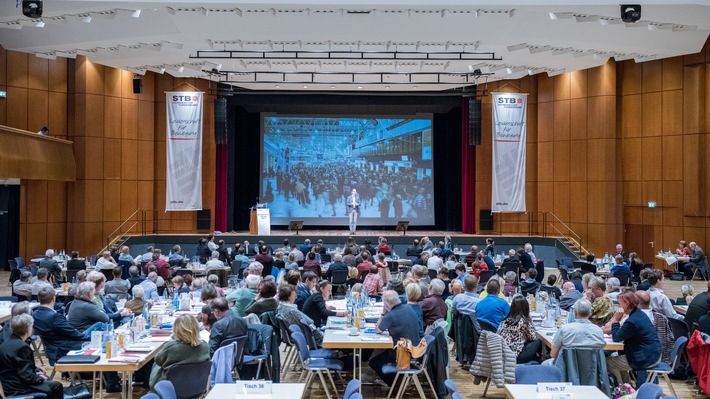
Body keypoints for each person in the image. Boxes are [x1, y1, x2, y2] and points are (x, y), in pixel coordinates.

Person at [32, 287, 104, 365]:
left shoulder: (34, 314)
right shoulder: (55, 317)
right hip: (66, 348)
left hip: (53, 349)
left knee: (99, 329)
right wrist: (91, 339)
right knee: (102, 339)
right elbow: (74, 334)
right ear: (54, 298)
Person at [0, 314, 63, 399]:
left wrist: (37, 371)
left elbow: (17, 365)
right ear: (28, 329)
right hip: (17, 386)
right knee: (56, 385)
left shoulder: (8, 342)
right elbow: (27, 376)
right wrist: (40, 378)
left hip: (8, 383)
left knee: (47, 379)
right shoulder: (22, 347)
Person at [607, 290, 661, 385]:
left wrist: (616, 320)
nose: (619, 307)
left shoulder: (632, 321)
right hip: (652, 353)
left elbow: (616, 337)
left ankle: (621, 390)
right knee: (616, 359)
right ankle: (627, 387)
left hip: (645, 358)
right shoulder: (639, 314)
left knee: (607, 362)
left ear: (627, 303)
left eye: (620, 304)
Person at [369, 290, 422, 387]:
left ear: (386, 305)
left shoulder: (390, 316)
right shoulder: (409, 308)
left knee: (374, 362)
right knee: (382, 353)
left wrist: (383, 313)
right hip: (416, 347)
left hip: (403, 352)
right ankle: (397, 379)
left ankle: (393, 384)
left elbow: (378, 330)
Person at [149, 314, 209, 388]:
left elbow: (158, 359)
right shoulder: (205, 346)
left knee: (155, 365)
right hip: (197, 387)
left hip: (170, 388)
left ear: (176, 330)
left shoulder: (172, 347)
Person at [542, 299, 605, 365]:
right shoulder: (599, 331)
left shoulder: (565, 329)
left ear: (575, 313)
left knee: (544, 364)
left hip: (566, 370)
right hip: (592, 371)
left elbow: (553, 355)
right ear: (590, 313)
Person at [497, 295, 540, 364]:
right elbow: (533, 337)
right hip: (515, 355)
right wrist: (530, 320)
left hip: (502, 353)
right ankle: (539, 362)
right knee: (538, 342)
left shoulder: (505, 320)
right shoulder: (524, 321)